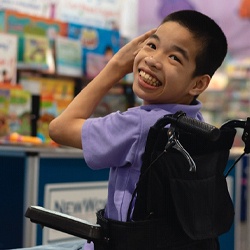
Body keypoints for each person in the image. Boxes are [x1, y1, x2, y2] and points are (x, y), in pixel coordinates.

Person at [17, 9, 228, 250]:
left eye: (174, 58)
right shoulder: (196, 124)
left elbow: (60, 128)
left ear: (198, 83)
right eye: (152, 45)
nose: (153, 59)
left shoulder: (140, 125)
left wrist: (116, 66)